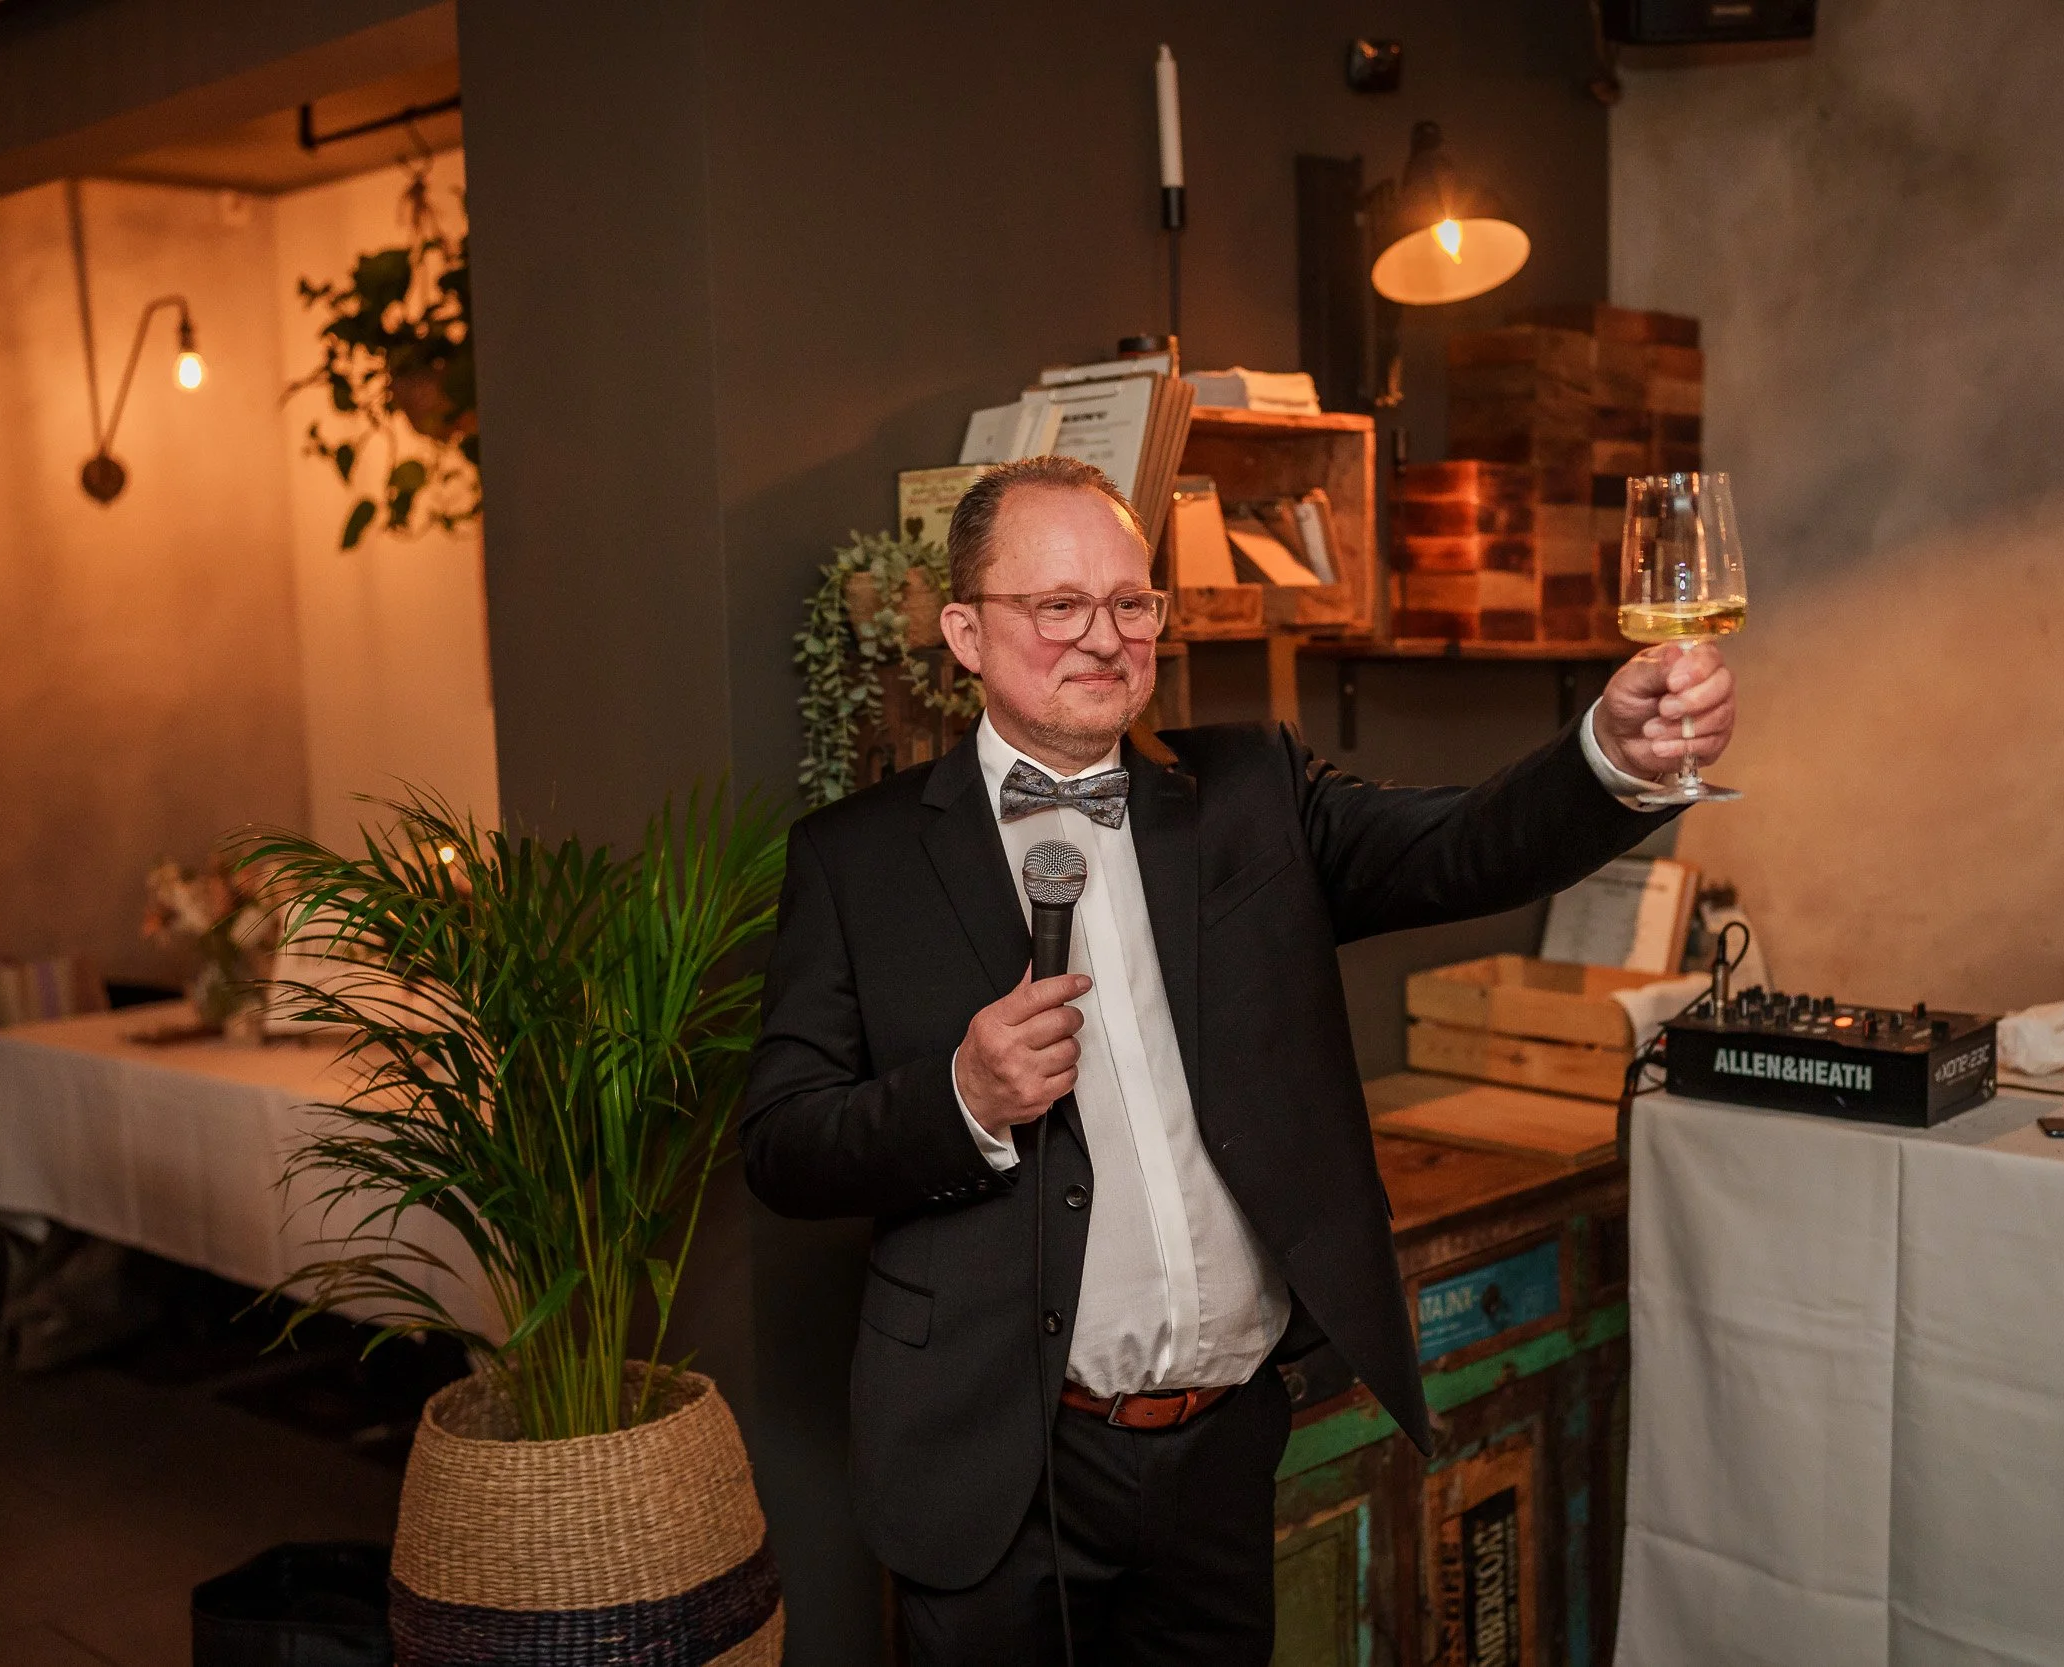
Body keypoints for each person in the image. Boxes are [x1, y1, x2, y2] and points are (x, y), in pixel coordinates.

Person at [742, 455, 1737, 1664]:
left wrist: (1610, 756)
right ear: (965, 630)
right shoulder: (857, 861)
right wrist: (959, 1097)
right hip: (989, 1458)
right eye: (1058, 604)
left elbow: (1465, 845)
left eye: (1130, 602)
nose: (1103, 636)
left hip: (1218, 1451)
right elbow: (784, 1142)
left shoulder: (1251, 792)